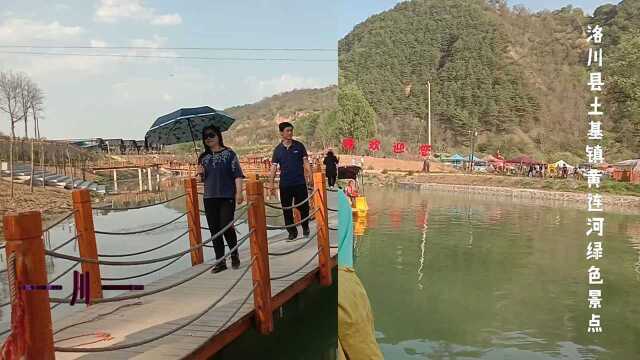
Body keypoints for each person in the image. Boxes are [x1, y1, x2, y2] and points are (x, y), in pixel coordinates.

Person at [196, 126, 245, 274]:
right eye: (205, 136)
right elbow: (201, 179)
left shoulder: (229, 153)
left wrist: (239, 193)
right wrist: (199, 174)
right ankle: (220, 261)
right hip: (210, 197)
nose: (208, 138)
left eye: (211, 135)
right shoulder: (203, 157)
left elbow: (237, 174)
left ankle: (234, 253)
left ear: (218, 136)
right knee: (215, 230)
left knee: (226, 226)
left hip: (227, 196)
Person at [269, 122, 312, 241]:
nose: (290, 133)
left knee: (304, 207)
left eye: (291, 130)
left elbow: (306, 163)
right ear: (281, 133)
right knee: (286, 209)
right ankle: (292, 232)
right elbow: (273, 167)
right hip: (285, 184)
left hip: (299, 182)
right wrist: (271, 183)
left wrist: (310, 176)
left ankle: (305, 226)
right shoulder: (277, 150)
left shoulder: (299, 146)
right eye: (287, 131)